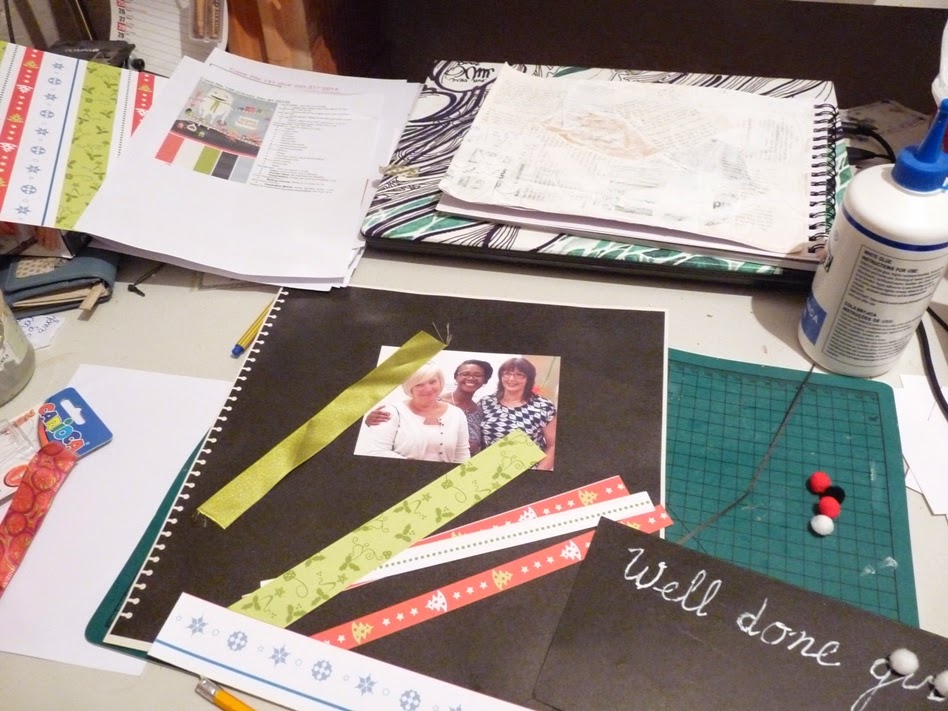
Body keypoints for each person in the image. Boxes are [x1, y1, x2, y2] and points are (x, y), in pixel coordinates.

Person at [365, 359, 493, 455]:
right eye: (465, 374)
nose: (471, 378)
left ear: (485, 380)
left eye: (478, 375)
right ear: (456, 377)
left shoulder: (480, 409)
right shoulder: (433, 399)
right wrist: (370, 420)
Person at [479, 357, 557, 470]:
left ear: (528, 379)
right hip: (489, 472)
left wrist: (539, 474)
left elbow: (553, 445)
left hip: (527, 472)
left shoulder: (543, 406)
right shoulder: (486, 402)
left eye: (519, 375)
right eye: (507, 374)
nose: (511, 379)